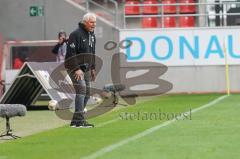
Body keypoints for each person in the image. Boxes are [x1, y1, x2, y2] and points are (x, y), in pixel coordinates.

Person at [65, 13, 97, 128]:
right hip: (75, 68)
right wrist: (77, 69)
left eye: (95, 22)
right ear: (85, 22)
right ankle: (79, 121)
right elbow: (70, 53)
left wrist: (93, 68)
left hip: (87, 68)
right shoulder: (75, 34)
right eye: (92, 22)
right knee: (81, 91)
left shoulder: (92, 35)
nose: (94, 25)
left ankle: (75, 121)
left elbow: (92, 53)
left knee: (87, 93)